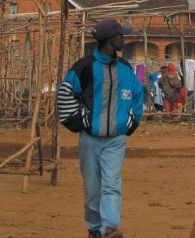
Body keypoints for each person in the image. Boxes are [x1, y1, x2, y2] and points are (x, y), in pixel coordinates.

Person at [57, 19, 143, 238]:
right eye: (120, 36)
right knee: (93, 189)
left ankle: (111, 227)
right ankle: (95, 228)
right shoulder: (84, 67)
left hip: (116, 139)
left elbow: (137, 95)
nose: (124, 39)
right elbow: (65, 93)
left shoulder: (125, 68)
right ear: (110, 41)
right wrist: (79, 122)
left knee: (112, 183)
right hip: (90, 140)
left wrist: (130, 122)